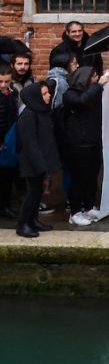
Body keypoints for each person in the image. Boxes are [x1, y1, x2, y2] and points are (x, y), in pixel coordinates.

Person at [58, 66, 106, 226]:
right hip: (77, 145)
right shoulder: (70, 95)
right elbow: (81, 101)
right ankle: (75, 211)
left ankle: (89, 207)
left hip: (94, 142)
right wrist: (98, 85)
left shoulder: (94, 92)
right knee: (79, 178)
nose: (96, 79)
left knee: (92, 177)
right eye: (93, 76)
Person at [15, 81, 60, 238]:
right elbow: (30, 144)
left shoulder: (41, 112)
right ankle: (23, 224)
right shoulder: (28, 116)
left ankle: (33, 220)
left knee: (38, 193)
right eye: (44, 93)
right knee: (32, 193)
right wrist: (40, 165)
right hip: (33, 163)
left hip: (42, 161)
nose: (49, 96)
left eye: (48, 92)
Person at [0, 64, 18, 219]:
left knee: (7, 176)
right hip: (3, 139)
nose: (3, 85)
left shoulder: (13, 94)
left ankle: (5, 206)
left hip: (10, 138)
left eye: (6, 81)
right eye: (0, 81)